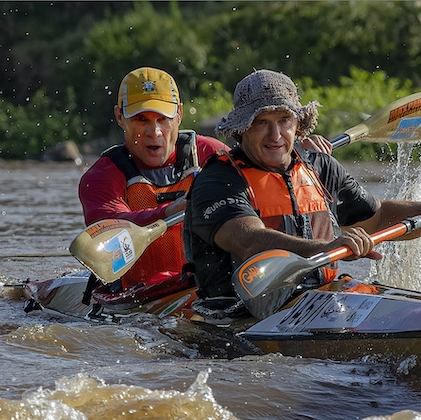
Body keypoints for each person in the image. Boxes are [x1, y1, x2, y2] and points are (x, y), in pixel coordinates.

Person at [184, 69, 421, 308]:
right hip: (240, 312)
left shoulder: (319, 167)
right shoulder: (218, 180)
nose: (276, 135)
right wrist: (326, 247)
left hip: (322, 298)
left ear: (298, 123)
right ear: (241, 129)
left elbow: (379, 217)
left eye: (284, 120)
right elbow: (248, 240)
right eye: (261, 122)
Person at [78, 67, 331, 291]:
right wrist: (169, 211)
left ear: (179, 114)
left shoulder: (210, 152)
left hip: (205, 286)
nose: (154, 132)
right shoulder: (102, 176)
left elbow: (259, 168)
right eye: (140, 119)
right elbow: (107, 230)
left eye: (163, 119)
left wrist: (297, 156)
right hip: (139, 295)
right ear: (119, 117)